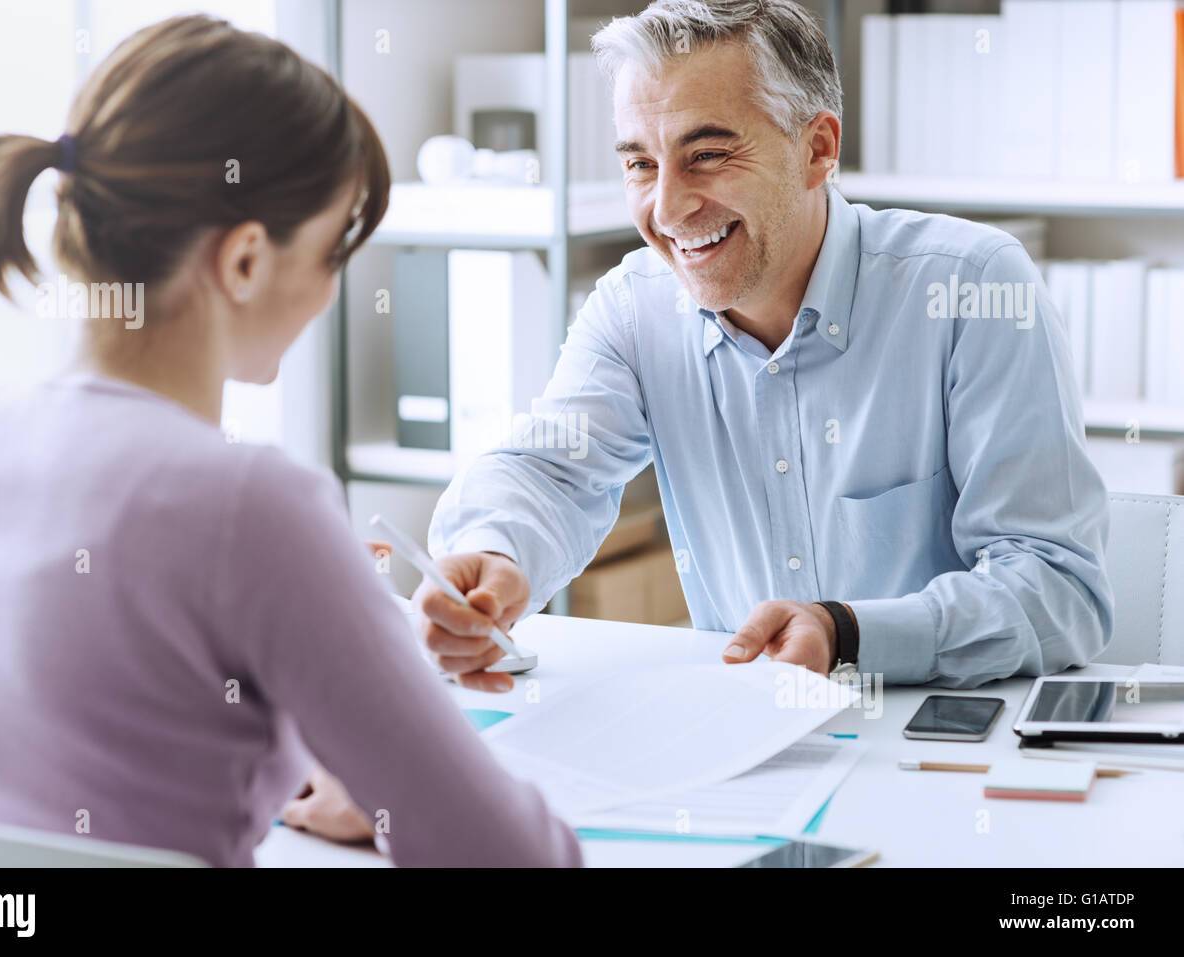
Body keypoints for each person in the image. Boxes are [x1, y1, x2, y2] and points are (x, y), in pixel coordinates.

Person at [0, 15, 580, 868]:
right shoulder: (250, 505)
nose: (330, 292)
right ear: (245, 261)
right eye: (332, 252)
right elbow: (511, 858)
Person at [417, 0, 1112, 693]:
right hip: (750, 744)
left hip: (936, 746)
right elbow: (548, 471)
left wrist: (848, 634)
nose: (665, 208)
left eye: (708, 155)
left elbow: (1059, 589)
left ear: (818, 149)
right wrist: (493, 550)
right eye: (639, 164)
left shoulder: (972, 289)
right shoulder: (636, 309)